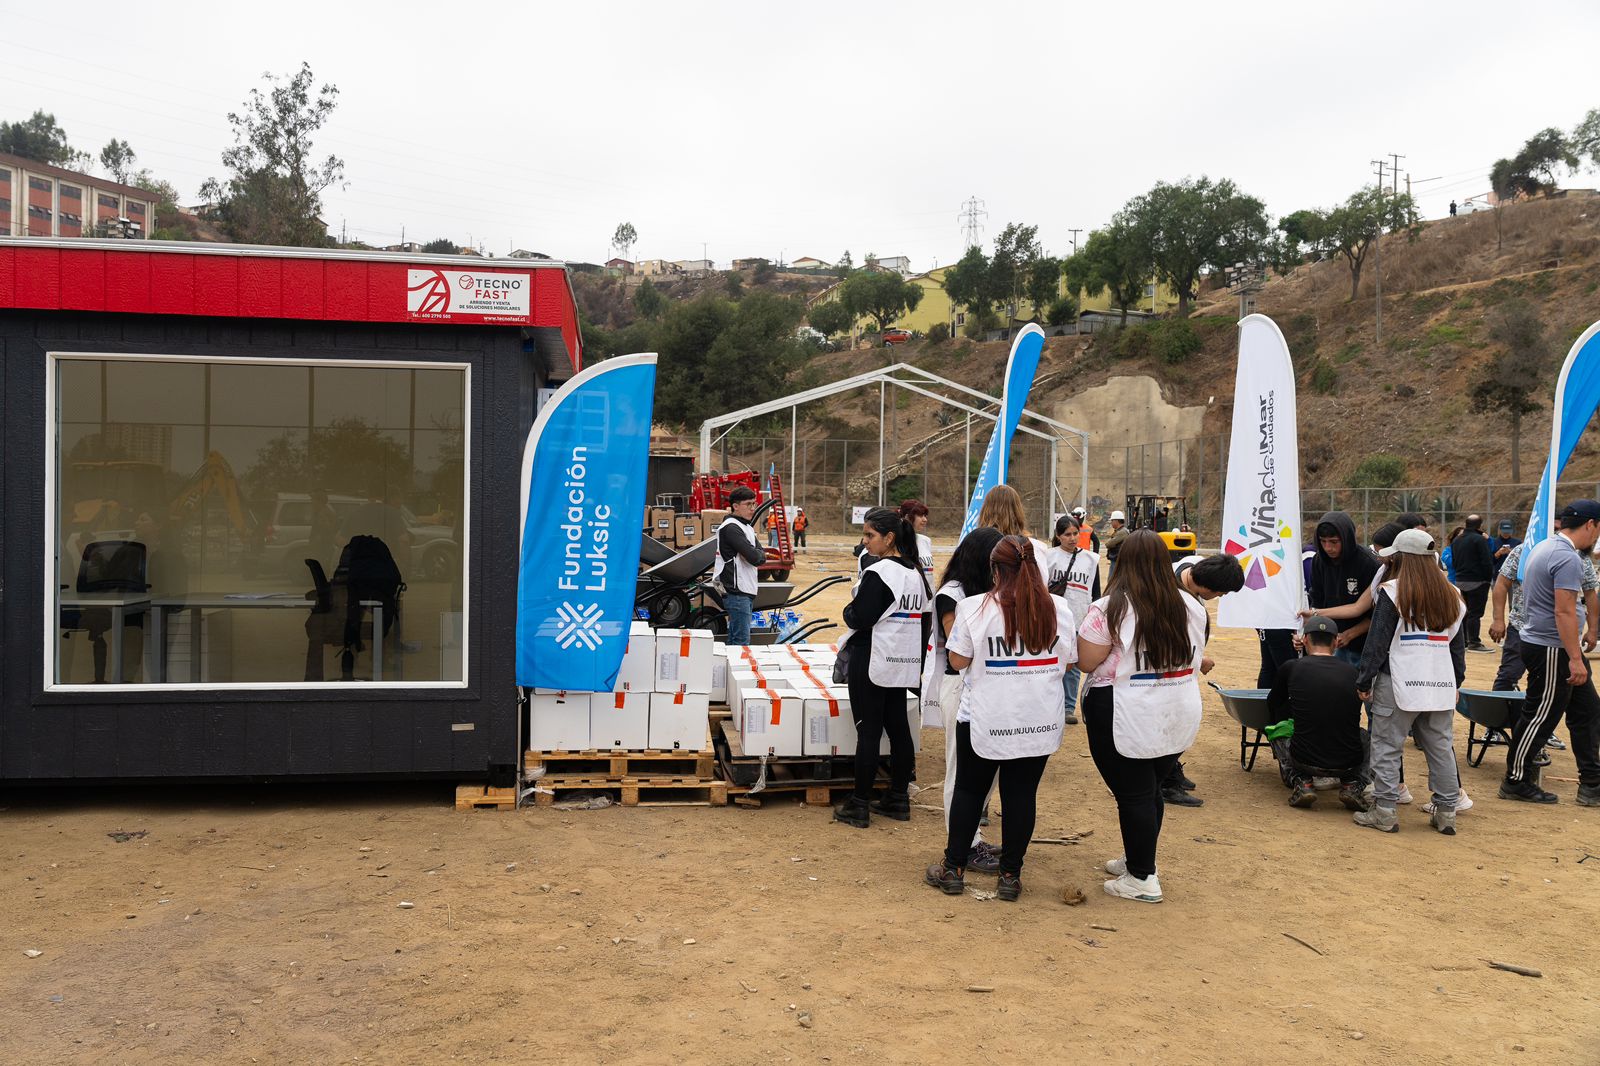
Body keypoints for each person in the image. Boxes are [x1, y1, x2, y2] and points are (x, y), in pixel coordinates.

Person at [925, 535, 1076, 901]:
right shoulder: (1060, 609)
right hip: (1039, 719)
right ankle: (1010, 876)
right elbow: (1069, 661)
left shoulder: (975, 608)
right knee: (1021, 795)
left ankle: (953, 869)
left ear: (995, 570)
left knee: (969, 791)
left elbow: (957, 660)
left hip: (985, 717)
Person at [1077, 530, 1210, 904]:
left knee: (1133, 793)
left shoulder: (1111, 608)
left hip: (1124, 709)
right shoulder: (1191, 605)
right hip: (1176, 708)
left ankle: (1142, 878)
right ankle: (1139, 859)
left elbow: (1086, 660)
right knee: (1149, 789)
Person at [1353, 529, 1467, 834]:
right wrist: (1456, 682)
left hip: (1399, 680)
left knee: (1387, 745)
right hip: (1440, 681)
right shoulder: (1452, 594)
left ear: (1401, 557)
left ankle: (1385, 811)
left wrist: (1364, 679)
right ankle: (1446, 813)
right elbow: (1457, 645)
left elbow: (1377, 641)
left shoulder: (1392, 591)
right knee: (1440, 747)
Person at [834, 507, 932, 828]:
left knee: (869, 731)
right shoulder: (915, 573)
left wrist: (850, 608)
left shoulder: (881, 573)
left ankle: (859, 802)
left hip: (873, 657)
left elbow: (858, 616)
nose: (865, 542)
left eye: (869, 535)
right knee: (899, 729)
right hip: (901, 661)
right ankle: (898, 797)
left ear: (889, 538)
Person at [1500, 500, 1600, 806]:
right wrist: (1573, 658)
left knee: (1587, 710)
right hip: (1551, 647)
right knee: (1541, 716)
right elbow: (1564, 612)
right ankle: (1516, 780)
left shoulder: (1546, 547)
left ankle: (1592, 782)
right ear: (1590, 525)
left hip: (1551, 645)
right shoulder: (1566, 557)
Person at [920, 527, 1005, 871]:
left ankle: (971, 837)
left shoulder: (989, 593)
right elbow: (960, 647)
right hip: (959, 687)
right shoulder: (951, 594)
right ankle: (964, 844)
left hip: (987, 687)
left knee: (991, 769)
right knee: (962, 771)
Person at [1161, 554, 1246, 808]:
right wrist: (1198, 661)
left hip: (1184, 672)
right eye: (1221, 593)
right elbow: (1166, 644)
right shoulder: (1173, 598)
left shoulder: (1189, 566)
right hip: (1165, 675)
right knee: (1172, 724)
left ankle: (1171, 770)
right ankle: (1166, 784)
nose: (1219, 597)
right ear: (1207, 588)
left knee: (1180, 722)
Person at [1269, 615, 1369, 811]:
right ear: (1335, 642)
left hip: (1304, 759)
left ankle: (1300, 780)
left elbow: (1274, 703)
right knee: (1364, 735)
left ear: (1305, 640)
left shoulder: (1292, 667)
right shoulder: (1353, 673)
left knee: (1279, 730)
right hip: (1348, 761)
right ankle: (1353, 784)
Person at [1307, 512, 1382, 667]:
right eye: (1323, 541)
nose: (1328, 548)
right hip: (1331, 644)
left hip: (1363, 647)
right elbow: (1317, 601)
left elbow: (1378, 613)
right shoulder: (1319, 561)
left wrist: (1350, 634)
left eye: (1334, 542)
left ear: (1346, 539)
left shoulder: (1369, 564)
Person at [1046, 514, 1101, 725]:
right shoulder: (1049, 557)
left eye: (1075, 533)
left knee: (1074, 665)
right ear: (1058, 536)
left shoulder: (1090, 560)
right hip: (1053, 619)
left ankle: (1068, 707)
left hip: (1079, 619)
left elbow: (1095, 593)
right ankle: (1052, 704)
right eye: (1067, 534)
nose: (1072, 538)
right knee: (1051, 663)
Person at [713, 487, 765, 645]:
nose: (752, 508)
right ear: (735, 506)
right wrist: (755, 554)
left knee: (738, 640)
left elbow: (760, 556)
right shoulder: (731, 527)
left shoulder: (746, 528)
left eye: (754, 504)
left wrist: (755, 554)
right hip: (736, 591)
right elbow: (755, 557)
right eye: (748, 504)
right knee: (740, 643)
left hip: (745, 589)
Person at [975, 485, 1051, 578]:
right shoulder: (1034, 546)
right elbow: (1042, 582)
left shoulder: (974, 544)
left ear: (985, 510)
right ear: (1017, 510)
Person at [1453, 514, 1497, 651]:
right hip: (1478, 581)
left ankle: (1463, 641)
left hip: (1460, 580)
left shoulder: (1457, 540)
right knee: (1475, 614)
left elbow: (1454, 561)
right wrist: (1487, 578)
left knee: (1463, 612)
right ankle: (1474, 642)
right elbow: (1486, 561)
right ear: (1479, 525)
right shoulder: (1479, 540)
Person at [899, 499, 934, 580]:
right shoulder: (897, 542)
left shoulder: (926, 541)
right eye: (921, 516)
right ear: (907, 517)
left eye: (925, 516)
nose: (925, 520)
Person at [1102, 510, 1129, 582]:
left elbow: (1109, 544)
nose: (1111, 523)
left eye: (1112, 521)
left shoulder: (1122, 532)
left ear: (1117, 521)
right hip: (1116, 558)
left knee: (1112, 580)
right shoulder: (1120, 531)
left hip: (1117, 559)